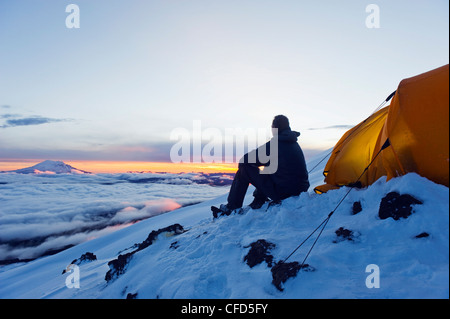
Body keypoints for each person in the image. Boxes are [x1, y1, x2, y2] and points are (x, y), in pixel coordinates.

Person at [214, 115, 309, 216]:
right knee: (269, 167)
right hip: (300, 189)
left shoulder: (275, 144)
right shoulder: (293, 143)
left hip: (284, 192)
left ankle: (231, 207)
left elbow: (244, 160)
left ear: (275, 128)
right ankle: (259, 199)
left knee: (244, 169)